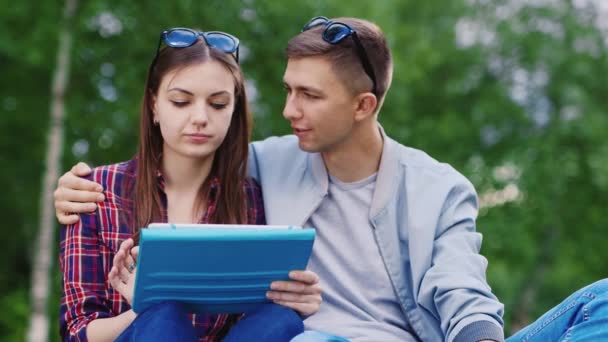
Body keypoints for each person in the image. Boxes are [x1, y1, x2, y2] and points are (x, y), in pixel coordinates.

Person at [55, 17, 608, 342]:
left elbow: (461, 289)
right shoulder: (265, 164)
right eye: (289, 89)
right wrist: (73, 187)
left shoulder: (437, 185)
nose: (290, 109)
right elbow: (185, 152)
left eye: (310, 96)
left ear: (363, 105)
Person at [58, 27, 322, 342]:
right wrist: (143, 309)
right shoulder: (95, 191)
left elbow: (256, 317)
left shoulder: (251, 198)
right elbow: (78, 330)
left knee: (281, 319)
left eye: (218, 104)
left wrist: (297, 300)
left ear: (234, 109)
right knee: (163, 317)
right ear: (155, 105)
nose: (200, 117)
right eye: (181, 101)